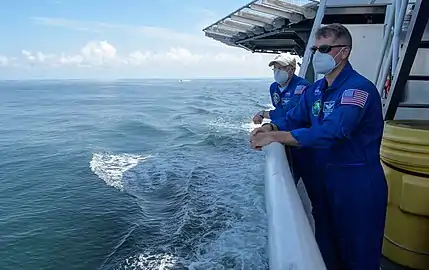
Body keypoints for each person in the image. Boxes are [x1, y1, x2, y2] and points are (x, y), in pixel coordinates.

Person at [250, 23, 387, 270]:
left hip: (356, 185)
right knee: (325, 247)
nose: (317, 56)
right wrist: (271, 128)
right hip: (323, 182)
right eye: (314, 50)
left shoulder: (357, 89)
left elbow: (334, 131)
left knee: (358, 253)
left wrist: (279, 137)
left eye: (324, 49)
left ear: (343, 52)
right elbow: (293, 117)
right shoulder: (315, 90)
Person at [253, 53, 311, 183]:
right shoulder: (274, 88)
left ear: (292, 69)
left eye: (281, 68)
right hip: (281, 134)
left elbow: (290, 112)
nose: (277, 72)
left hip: (300, 139)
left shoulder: (302, 86)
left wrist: (264, 114)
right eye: (275, 68)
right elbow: (280, 111)